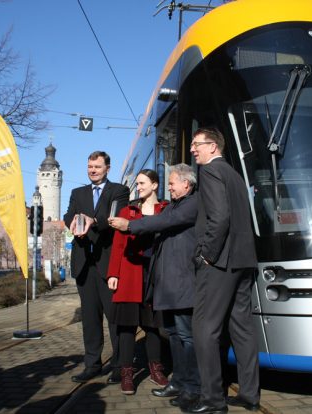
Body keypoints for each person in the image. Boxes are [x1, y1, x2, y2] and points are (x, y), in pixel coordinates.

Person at [109, 163, 200, 409]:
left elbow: (159, 224)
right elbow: (119, 245)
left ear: (186, 184)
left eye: (172, 183)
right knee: (172, 332)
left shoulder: (182, 206)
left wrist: (129, 226)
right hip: (155, 279)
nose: (170, 187)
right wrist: (113, 273)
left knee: (178, 333)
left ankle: (185, 382)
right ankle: (178, 381)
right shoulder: (168, 206)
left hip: (174, 279)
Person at [187, 127, 260, 413]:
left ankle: (213, 400)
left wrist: (207, 255)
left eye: (197, 144)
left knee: (204, 328)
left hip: (220, 262)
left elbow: (219, 218)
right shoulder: (234, 174)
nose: (193, 149)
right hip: (243, 261)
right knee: (242, 329)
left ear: (213, 147)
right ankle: (250, 395)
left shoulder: (211, 172)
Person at [63, 151, 129, 384]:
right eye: (89, 166)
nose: (92, 170)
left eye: (97, 167)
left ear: (107, 168)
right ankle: (92, 364)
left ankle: (120, 365)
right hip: (84, 264)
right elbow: (69, 214)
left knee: (114, 318)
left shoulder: (119, 191)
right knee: (90, 319)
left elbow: (114, 218)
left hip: (108, 264)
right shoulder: (77, 193)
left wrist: (94, 221)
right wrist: (71, 221)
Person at [106, 169, 169, 395]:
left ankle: (155, 369)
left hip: (155, 275)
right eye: (137, 183)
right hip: (130, 274)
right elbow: (118, 246)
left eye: (142, 183)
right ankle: (126, 373)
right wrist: (113, 274)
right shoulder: (128, 211)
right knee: (126, 326)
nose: (138, 187)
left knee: (153, 326)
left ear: (154, 185)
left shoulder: (166, 210)